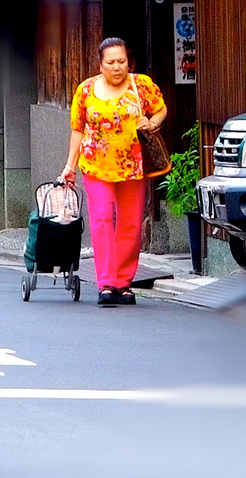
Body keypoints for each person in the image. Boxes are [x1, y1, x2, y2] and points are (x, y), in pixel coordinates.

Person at [60, 37, 167, 306]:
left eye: (122, 61)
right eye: (111, 62)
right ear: (101, 64)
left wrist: (151, 122)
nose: (117, 67)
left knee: (130, 224)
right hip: (96, 165)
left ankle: (124, 283)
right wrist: (69, 166)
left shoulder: (141, 85)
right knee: (103, 218)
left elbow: (161, 109)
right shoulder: (85, 90)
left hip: (133, 166)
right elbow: (78, 129)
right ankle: (106, 283)